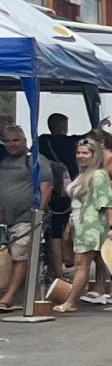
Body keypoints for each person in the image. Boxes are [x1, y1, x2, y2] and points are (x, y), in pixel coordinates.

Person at [58, 139, 112, 313]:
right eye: (79, 152)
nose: (80, 156)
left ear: (94, 155)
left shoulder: (98, 175)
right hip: (80, 221)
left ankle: (70, 301)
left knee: (81, 264)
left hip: (92, 224)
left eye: (85, 153)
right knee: (107, 260)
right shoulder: (83, 174)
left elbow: (107, 202)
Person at [1, 123, 47, 312]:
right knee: (10, 257)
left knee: (21, 256)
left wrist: (38, 213)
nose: (11, 144)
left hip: (27, 218)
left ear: (24, 140)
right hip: (5, 220)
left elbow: (46, 186)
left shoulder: (35, 160)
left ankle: (8, 298)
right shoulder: (3, 161)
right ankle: (28, 296)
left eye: (15, 140)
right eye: (7, 141)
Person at [37, 112, 77, 268]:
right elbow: (90, 136)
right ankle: (68, 258)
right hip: (68, 190)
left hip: (48, 190)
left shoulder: (42, 141)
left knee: (52, 230)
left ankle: (55, 269)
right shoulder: (71, 142)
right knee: (68, 225)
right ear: (65, 127)